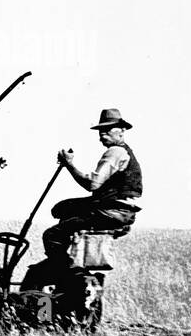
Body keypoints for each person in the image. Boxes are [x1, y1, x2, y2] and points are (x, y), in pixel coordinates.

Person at [23, 108, 141, 288]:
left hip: (111, 210)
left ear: (122, 131)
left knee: (52, 234)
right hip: (121, 211)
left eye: (108, 130)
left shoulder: (116, 152)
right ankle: (69, 272)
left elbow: (93, 184)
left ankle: (65, 274)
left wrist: (69, 165)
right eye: (100, 131)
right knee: (62, 209)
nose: (102, 134)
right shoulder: (127, 153)